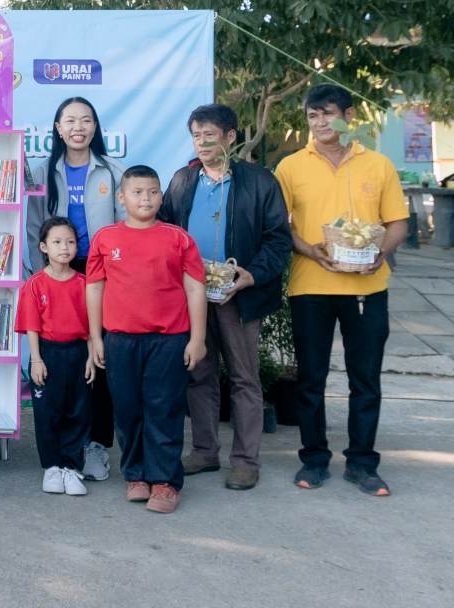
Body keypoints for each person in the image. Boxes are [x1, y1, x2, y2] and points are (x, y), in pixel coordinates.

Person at [274, 84, 409, 497]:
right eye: (312, 116)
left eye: (327, 114)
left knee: (365, 379)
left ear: (349, 116)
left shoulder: (378, 164)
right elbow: (280, 225)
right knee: (310, 379)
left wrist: (380, 253)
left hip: (368, 287)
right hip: (310, 286)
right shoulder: (291, 167)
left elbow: (398, 223)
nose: (319, 123)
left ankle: (362, 463)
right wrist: (309, 250)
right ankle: (314, 459)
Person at [158, 104, 292, 490]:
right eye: (196, 136)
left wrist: (252, 275)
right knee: (198, 373)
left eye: (210, 135)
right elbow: (165, 231)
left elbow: (278, 240)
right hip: (193, 296)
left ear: (231, 137)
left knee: (244, 378)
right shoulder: (183, 180)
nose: (202, 143)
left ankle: (246, 461)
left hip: (239, 296)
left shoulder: (259, 182)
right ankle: (204, 451)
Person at [86, 165, 207, 514]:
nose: (146, 199)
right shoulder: (105, 238)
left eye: (153, 192)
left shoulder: (178, 238)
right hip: (120, 340)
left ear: (161, 197)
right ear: (121, 198)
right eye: (137, 192)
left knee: (163, 408)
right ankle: (136, 475)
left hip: (167, 340)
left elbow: (195, 288)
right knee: (127, 410)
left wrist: (197, 338)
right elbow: (94, 288)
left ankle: (165, 481)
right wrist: (96, 338)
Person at [26, 96, 126, 482]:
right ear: (57, 128)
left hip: (102, 276)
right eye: (69, 121)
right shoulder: (42, 172)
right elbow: (34, 228)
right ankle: (63, 450)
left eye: (85, 120)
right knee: (63, 364)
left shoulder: (113, 172)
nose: (78, 127)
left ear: (95, 127)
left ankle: (96, 445)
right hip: (58, 274)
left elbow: (125, 229)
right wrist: (43, 278)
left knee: (98, 359)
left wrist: (119, 277)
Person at [15, 217, 93, 497]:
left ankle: (72, 467)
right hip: (47, 354)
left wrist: (91, 356)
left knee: (78, 412)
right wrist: (36, 359)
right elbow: (32, 326)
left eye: (70, 242)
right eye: (57, 242)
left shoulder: (85, 284)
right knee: (48, 413)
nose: (64, 247)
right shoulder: (35, 284)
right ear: (44, 247)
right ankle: (51, 467)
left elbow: (92, 324)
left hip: (78, 353)